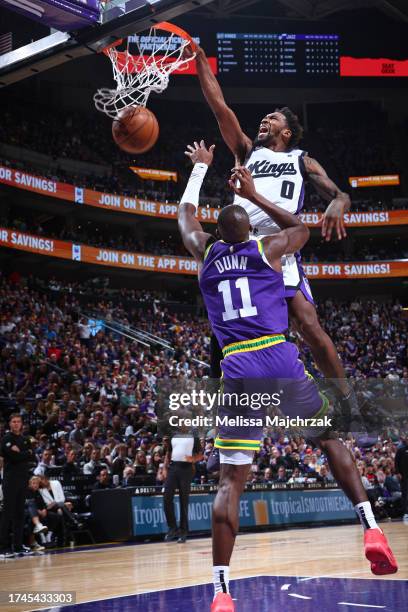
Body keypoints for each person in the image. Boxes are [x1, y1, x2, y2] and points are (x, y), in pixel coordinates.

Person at [177, 142, 398, 612]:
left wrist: (199, 169)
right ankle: (371, 526)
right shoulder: (268, 250)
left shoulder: (205, 255)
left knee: (230, 483)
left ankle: (221, 593)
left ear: (217, 233)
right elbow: (302, 227)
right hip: (278, 357)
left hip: (237, 366)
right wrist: (256, 195)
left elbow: (184, 214)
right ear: (248, 231)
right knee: (329, 437)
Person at [184, 43, 356, 407]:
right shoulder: (247, 151)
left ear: (288, 132)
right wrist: (200, 59)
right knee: (228, 328)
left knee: (308, 326)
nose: (266, 120)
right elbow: (220, 107)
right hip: (241, 244)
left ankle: (347, 399)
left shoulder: (302, 160)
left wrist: (338, 206)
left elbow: (339, 194)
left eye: (273, 119)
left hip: (279, 246)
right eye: (264, 118)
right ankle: (227, 406)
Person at [0, 413, 34, 558]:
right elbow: (15, 457)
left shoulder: (24, 439)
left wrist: (24, 452)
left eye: (18, 422)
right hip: (10, 481)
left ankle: (18, 546)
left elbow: (29, 456)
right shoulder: (6, 439)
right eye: (13, 421)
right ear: (9, 424)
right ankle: (3, 548)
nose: (16, 424)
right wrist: (26, 453)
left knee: (20, 514)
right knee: (7, 515)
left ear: (21, 424)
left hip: (22, 480)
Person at [163, 429, 203, 544]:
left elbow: (200, 455)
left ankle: (183, 531)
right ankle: (172, 528)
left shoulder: (193, 436)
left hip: (186, 468)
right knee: (167, 497)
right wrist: (164, 468)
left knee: (183, 500)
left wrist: (193, 459)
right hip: (173, 467)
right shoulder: (173, 435)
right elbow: (168, 453)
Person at [394, 436, 408, 523]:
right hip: (404, 476)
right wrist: (398, 472)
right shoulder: (401, 450)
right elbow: (396, 462)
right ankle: (405, 513)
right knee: (405, 494)